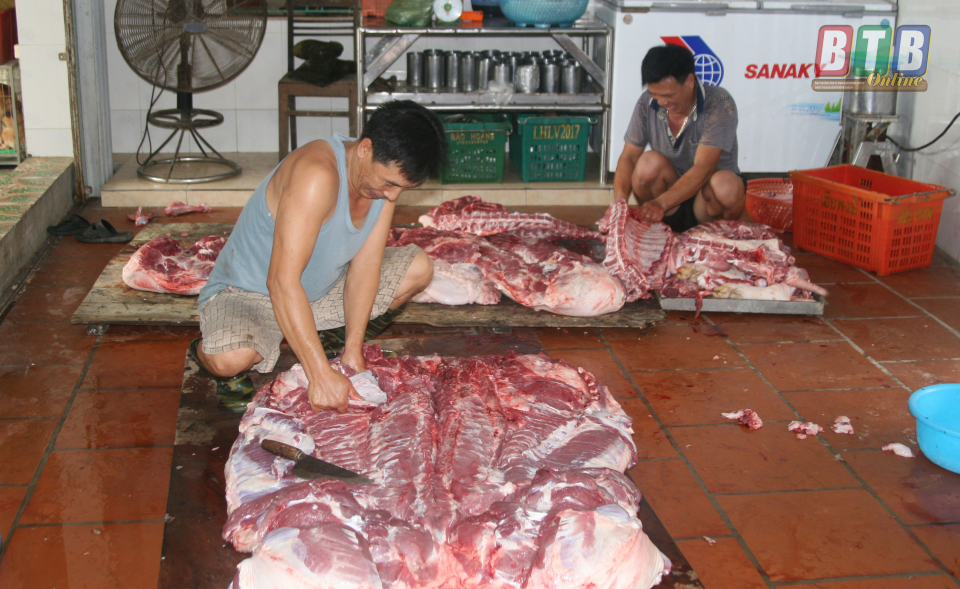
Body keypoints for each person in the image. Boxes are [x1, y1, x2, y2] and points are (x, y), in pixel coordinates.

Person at [189, 100, 446, 414]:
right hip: (252, 294)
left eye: (402, 189)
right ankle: (210, 348)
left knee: (418, 268)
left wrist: (353, 351)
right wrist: (319, 374)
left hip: (319, 290)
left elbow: (366, 266)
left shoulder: (379, 184)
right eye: (390, 184)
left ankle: (322, 341)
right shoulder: (316, 175)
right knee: (231, 360)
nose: (392, 196)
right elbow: (281, 281)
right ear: (365, 148)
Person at [613, 44, 745, 232]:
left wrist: (661, 202)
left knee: (726, 186)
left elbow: (704, 168)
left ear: (690, 81)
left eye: (668, 95)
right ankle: (661, 228)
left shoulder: (719, 103)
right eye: (655, 94)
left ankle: (714, 237)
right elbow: (629, 157)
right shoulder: (646, 102)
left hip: (704, 201)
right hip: (668, 202)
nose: (661, 102)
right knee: (647, 164)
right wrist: (619, 203)